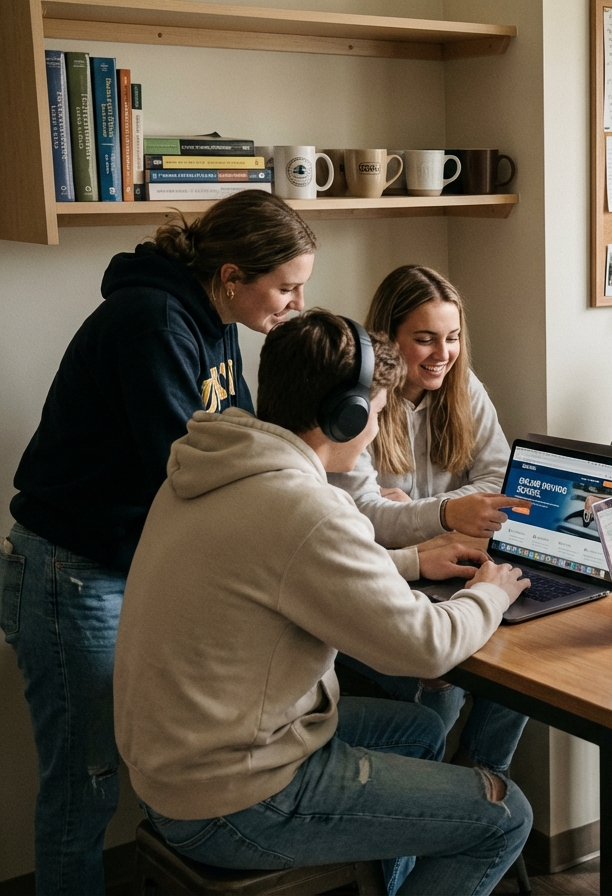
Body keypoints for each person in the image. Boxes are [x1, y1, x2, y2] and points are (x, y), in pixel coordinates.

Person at [113, 309, 533, 894]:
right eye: (376, 414)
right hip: (238, 800)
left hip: (176, 771)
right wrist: (490, 593)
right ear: (347, 415)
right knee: (504, 814)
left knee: (416, 731)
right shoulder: (304, 507)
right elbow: (427, 647)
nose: (374, 429)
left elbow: (282, 572)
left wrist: (412, 561)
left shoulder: (211, 466)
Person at [0, 191, 316, 894]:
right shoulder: (151, 321)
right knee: (84, 785)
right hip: (70, 573)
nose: (296, 304)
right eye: (288, 287)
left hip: (124, 567)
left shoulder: (215, 318)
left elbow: (239, 444)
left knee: (144, 771)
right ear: (234, 275)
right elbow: (184, 470)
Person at [327, 264, 529, 779]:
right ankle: (432, 795)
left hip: (448, 570)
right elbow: (365, 518)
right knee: (444, 674)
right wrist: (441, 515)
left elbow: (500, 478)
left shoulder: (463, 387)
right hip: (384, 585)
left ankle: (485, 781)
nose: (443, 354)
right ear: (389, 340)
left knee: (525, 659)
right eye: (425, 339)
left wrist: (415, 513)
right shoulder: (360, 403)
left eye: (453, 337)